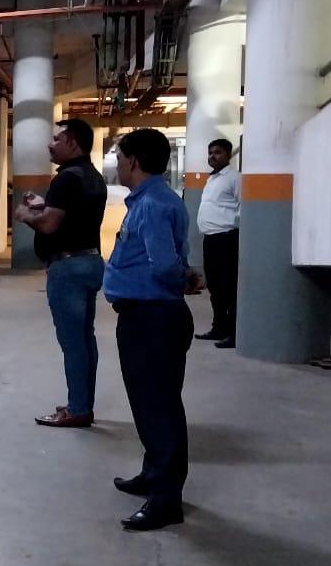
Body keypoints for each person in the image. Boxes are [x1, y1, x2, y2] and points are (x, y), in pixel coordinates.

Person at [103, 128, 201, 532]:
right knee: (149, 404)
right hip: (145, 315)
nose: (117, 164)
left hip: (152, 318)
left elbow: (163, 266)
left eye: (119, 157)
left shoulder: (153, 206)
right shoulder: (150, 200)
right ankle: (153, 474)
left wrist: (183, 280)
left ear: (134, 161)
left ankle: (165, 499)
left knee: (159, 408)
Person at [16, 119, 108, 429]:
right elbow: (74, 215)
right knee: (85, 338)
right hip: (90, 261)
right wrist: (45, 205)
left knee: (72, 342)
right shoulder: (92, 176)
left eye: (57, 138)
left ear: (73, 142)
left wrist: (26, 215)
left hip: (68, 267)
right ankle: (82, 403)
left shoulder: (67, 178)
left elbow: (50, 224)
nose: (50, 144)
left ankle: (77, 409)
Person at [196, 137, 241, 349]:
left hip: (226, 239)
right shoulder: (212, 178)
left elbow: (243, 206)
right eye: (210, 152)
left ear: (228, 155)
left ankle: (233, 332)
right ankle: (218, 328)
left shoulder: (234, 178)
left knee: (228, 287)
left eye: (218, 152)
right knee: (214, 287)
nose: (212, 156)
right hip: (211, 239)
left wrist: (234, 227)